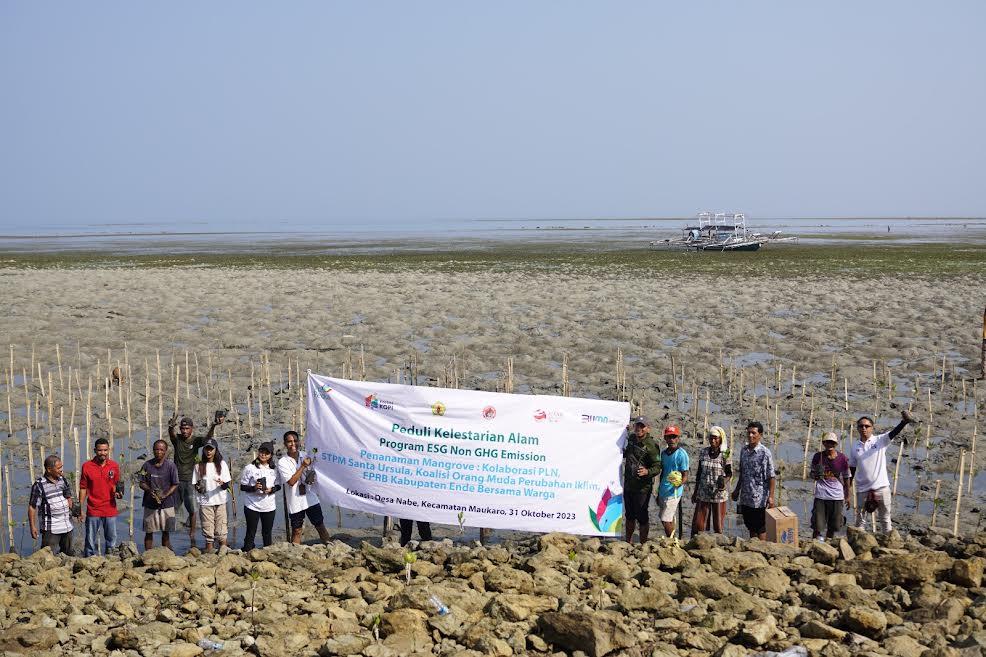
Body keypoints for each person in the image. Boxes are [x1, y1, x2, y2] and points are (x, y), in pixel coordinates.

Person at [848, 410, 915, 533]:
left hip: (881, 487)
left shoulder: (880, 440)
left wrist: (904, 422)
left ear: (872, 428)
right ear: (857, 428)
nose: (864, 428)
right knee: (860, 521)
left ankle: (889, 545)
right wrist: (848, 487)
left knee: (885, 519)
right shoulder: (854, 446)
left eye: (867, 426)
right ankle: (858, 546)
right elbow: (852, 468)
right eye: (861, 426)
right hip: (862, 489)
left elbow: (894, 433)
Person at [169, 413, 223, 548]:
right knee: (171, 509)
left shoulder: (196, 441)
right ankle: (167, 535)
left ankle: (192, 535)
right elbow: (171, 434)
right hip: (176, 480)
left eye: (187, 429)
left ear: (192, 428)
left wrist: (213, 425)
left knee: (192, 509)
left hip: (189, 480)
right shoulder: (178, 440)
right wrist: (170, 427)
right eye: (182, 428)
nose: (185, 431)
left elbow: (207, 439)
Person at [277, 431, 332, 544]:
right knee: (297, 530)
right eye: (289, 442)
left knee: (320, 525)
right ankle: (295, 553)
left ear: (299, 442)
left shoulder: (306, 455)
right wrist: (303, 466)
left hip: (310, 497)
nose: (293, 444)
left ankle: (329, 547)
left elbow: (319, 468)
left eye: (295, 441)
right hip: (295, 500)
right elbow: (291, 482)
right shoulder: (283, 461)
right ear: (285, 444)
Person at [731, 421, 776, 540]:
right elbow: (742, 473)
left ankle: (761, 550)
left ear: (760, 435)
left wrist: (771, 497)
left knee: (761, 527)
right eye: (749, 433)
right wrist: (736, 490)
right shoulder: (744, 451)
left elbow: (771, 476)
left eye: (753, 433)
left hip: (759, 498)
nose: (751, 435)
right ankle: (752, 550)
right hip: (746, 497)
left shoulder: (765, 453)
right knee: (750, 526)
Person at [79, 437, 122, 556]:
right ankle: (88, 561)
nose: (103, 453)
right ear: (95, 450)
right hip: (93, 509)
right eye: (100, 450)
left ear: (109, 450)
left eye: (105, 450)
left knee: (111, 539)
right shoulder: (87, 466)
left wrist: (118, 493)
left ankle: (111, 561)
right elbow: (83, 488)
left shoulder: (114, 466)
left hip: (110, 509)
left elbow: (116, 485)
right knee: (90, 540)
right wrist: (80, 508)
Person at [621, 417, 661, 543]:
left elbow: (658, 466)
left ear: (647, 428)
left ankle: (643, 544)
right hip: (628, 485)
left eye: (642, 426)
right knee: (629, 516)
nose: (639, 429)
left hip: (642, 488)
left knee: (642, 517)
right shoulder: (632, 438)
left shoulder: (652, 446)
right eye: (637, 426)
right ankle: (628, 542)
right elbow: (627, 452)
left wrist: (647, 471)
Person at [28, 455, 75, 556]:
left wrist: (76, 511)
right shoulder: (39, 485)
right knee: (48, 556)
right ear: (49, 469)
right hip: (51, 528)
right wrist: (33, 527)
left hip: (67, 525)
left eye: (61, 467)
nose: (61, 470)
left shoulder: (63, 480)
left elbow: (68, 497)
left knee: (68, 554)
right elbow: (32, 507)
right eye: (58, 468)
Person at [240, 441, 282, 551]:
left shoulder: (274, 469)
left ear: (271, 455)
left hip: (269, 506)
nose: (263, 454)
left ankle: (267, 554)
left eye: (267, 453)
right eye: (261, 451)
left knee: (267, 533)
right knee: (251, 531)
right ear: (258, 452)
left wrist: (271, 489)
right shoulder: (250, 467)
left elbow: (278, 486)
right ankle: (247, 551)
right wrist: (254, 487)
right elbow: (243, 487)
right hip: (252, 505)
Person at [192, 438, 232, 552]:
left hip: (220, 501)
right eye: (206, 449)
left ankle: (224, 552)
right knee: (208, 530)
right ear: (203, 450)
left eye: (211, 449)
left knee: (222, 530)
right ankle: (209, 553)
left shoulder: (222, 464)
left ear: (215, 450)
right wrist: (199, 487)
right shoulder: (198, 466)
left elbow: (227, 486)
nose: (209, 452)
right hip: (206, 502)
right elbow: (195, 484)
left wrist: (222, 484)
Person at [139, 439, 179, 551]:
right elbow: (141, 482)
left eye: (161, 450)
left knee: (166, 533)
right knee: (149, 532)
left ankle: (166, 554)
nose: (159, 452)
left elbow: (175, 484)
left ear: (166, 451)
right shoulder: (146, 465)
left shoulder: (171, 466)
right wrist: (149, 490)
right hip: (150, 504)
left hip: (167, 504)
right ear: (153, 450)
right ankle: (148, 555)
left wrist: (165, 495)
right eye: (156, 449)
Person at [691, 426, 731, 537]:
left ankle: (719, 545)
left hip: (718, 494)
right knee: (700, 523)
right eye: (711, 438)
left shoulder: (725, 454)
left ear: (720, 439)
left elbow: (729, 473)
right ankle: (699, 542)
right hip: (703, 492)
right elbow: (699, 473)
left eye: (716, 438)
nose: (713, 440)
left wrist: (724, 482)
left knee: (718, 525)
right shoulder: (704, 452)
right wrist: (695, 492)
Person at [810, 432, 850, 541]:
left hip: (836, 496)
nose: (830, 444)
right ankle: (815, 544)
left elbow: (847, 478)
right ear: (824, 443)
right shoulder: (818, 456)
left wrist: (848, 496)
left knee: (835, 526)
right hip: (821, 495)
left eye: (832, 442)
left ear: (836, 444)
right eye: (827, 442)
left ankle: (829, 544)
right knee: (817, 526)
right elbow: (812, 474)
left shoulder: (842, 458)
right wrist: (816, 475)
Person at [657, 425, 689, 537]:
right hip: (663, 490)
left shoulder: (681, 454)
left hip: (674, 492)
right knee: (664, 517)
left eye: (674, 437)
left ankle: (670, 541)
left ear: (678, 438)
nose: (671, 440)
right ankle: (673, 536)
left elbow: (685, 474)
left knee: (665, 519)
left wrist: (679, 484)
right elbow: (663, 473)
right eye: (669, 437)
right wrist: (658, 492)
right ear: (665, 438)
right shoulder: (664, 454)